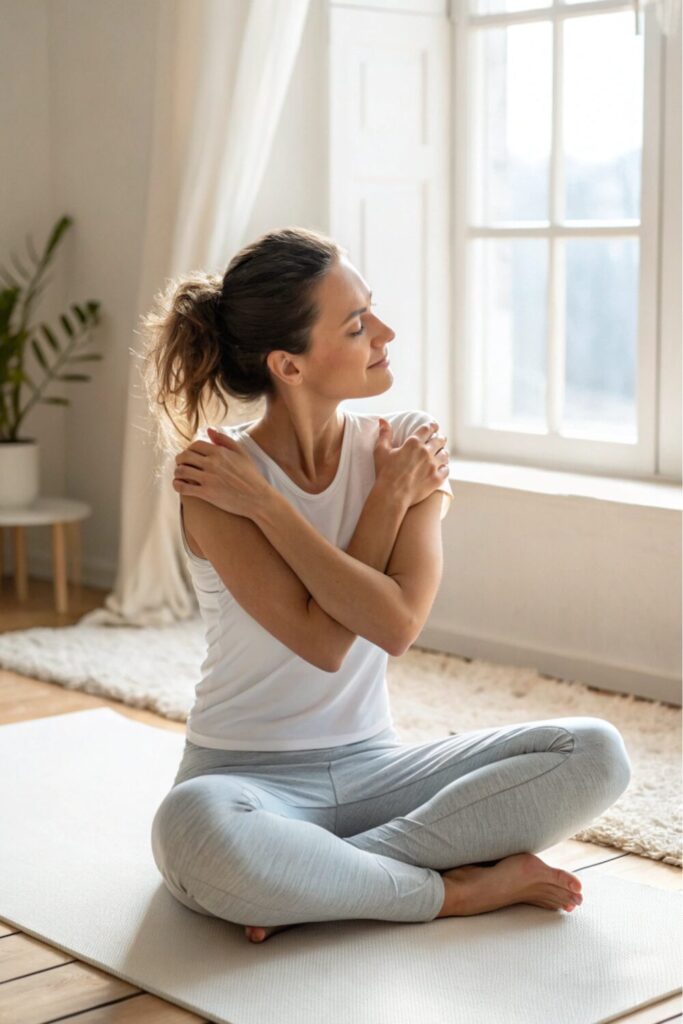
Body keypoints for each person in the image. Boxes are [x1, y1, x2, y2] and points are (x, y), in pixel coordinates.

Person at [143, 226, 632, 943]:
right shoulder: (217, 480)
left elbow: (395, 623)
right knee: (192, 830)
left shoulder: (404, 443)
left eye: (370, 309)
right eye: (355, 324)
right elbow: (321, 640)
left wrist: (290, 507)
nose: (385, 331)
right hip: (246, 783)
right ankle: (453, 893)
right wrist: (289, 502)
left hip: (379, 774)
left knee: (595, 752)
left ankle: (321, 880)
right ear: (289, 364)